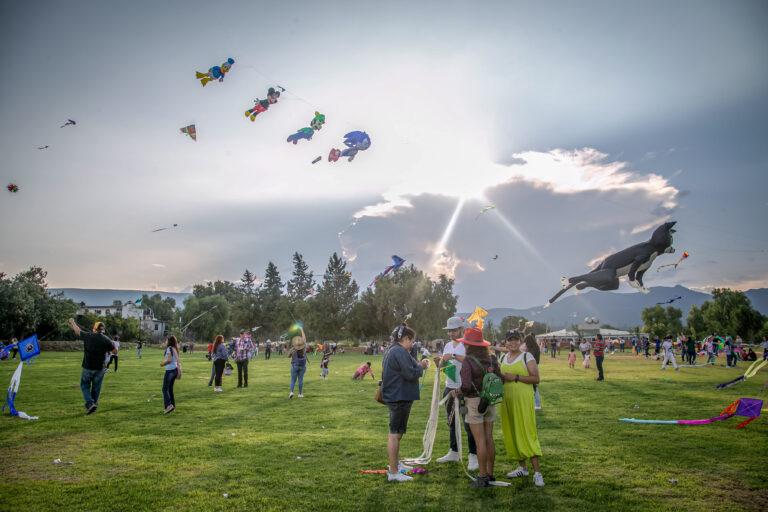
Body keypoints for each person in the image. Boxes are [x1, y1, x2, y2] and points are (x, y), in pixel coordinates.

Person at [381, 323, 429, 483]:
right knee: (395, 434)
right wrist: (421, 366)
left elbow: (407, 367)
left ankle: (396, 464)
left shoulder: (392, 350)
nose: (413, 343)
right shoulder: (399, 351)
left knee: (398, 432)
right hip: (398, 396)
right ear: (405, 338)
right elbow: (410, 373)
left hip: (397, 395)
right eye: (411, 340)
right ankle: (393, 472)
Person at [455, 327, 502, 488]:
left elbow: (466, 385)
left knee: (480, 440)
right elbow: (500, 378)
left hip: (474, 402)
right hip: (490, 401)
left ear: (468, 345)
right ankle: (490, 473)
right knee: (489, 438)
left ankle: (481, 477)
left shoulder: (468, 361)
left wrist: (458, 391)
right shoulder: (492, 359)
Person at [499, 330, 544, 487]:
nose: (513, 343)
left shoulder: (527, 356)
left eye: (516, 340)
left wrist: (516, 377)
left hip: (523, 401)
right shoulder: (503, 357)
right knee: (512, 432)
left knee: (527, 432)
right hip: (507, 401)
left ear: (520, 341)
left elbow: (536, 378)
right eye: (510, 340)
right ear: (505, 342)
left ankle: (537, 473)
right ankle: (522, 468)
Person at [436, 316, 478, 471]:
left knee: (469, 423)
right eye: (449, 331)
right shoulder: (447, 345)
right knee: (451, 421)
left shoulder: (467, 344)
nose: (451, 334)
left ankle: (473, 455)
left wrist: (453, 356)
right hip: (449, 386)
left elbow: (471, 362)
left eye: (454, 330)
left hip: (465, 388)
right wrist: (441, 362)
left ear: (462, 329)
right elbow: (444, 364)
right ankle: (453, 451)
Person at [67, 319, 116, 415]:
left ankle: (90, 404)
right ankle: (94, 405)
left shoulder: (88, 336)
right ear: (103, 330)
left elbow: (77, 331)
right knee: (96, 388)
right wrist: (110, 346)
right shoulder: (106, 339)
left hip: (88, 366)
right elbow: (115, 352)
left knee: (84, 385)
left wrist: (72, 322)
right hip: (100, 368)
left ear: (94, 328)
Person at [161, 335, 181, 414]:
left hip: (170, 370)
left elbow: (169, 360)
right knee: (170, 389)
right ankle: (172, 407)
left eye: (166, 340)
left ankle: (169, 406)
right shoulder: (174, 348)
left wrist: (162, 364)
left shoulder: (169, 348)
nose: (165, 342)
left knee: (164, 389)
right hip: (174, 370)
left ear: (169, 341)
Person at [288, 332, 308, 398]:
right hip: (302, 366)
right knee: (300, 380)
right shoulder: (304, 348)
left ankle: (291, 392)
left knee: (293, 380)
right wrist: (302, 329)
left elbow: (288, 356)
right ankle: (300, 394)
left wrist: (291, 352)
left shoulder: (293, 349)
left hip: (294, 366)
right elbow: (304, 339)